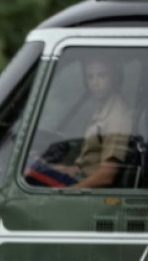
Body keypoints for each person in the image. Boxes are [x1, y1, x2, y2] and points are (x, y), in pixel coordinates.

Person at [26, 54, 132, 188]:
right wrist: (47, 166)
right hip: (79, 178)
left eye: (102, 75)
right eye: (90, 77)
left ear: (115, 77)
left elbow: (106, 176)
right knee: (32, 164)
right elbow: (80, 169)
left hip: (84, 190)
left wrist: (70, 193)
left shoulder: (117, 115)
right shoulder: (103, 108)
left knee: (26, 169)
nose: (95, 82)